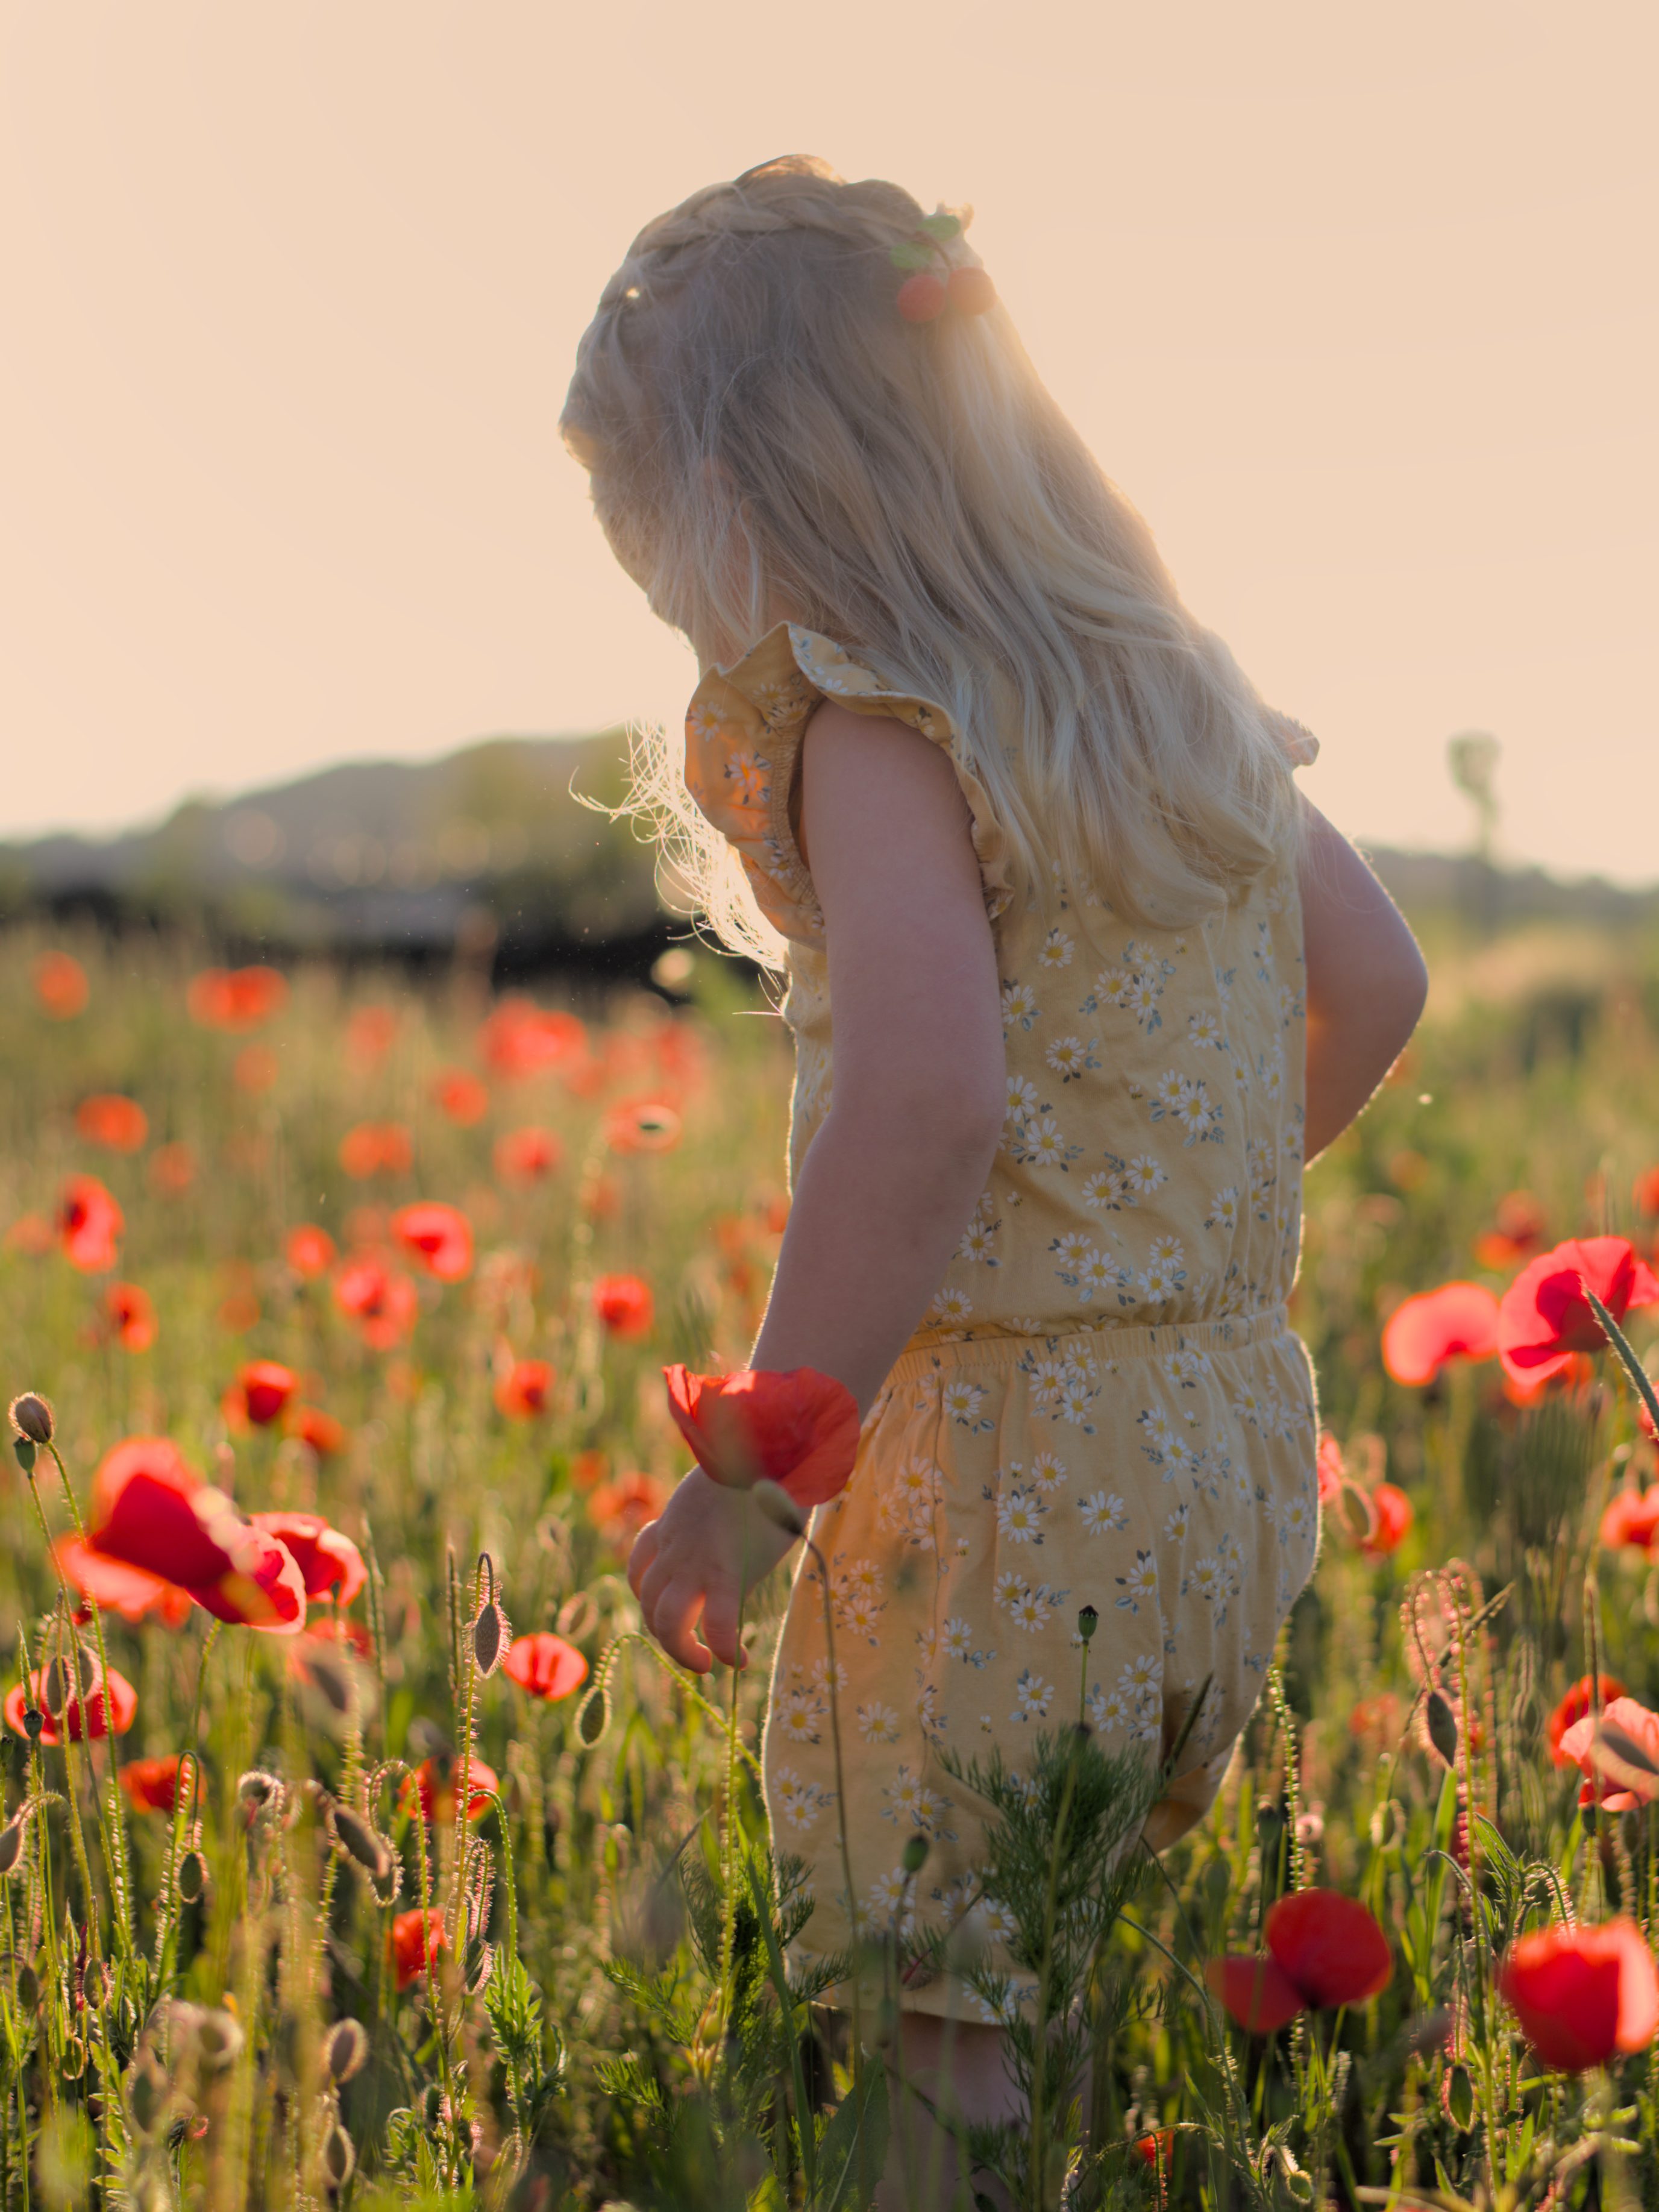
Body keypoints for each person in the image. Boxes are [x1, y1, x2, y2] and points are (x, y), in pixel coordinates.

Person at [563, 154, 1427, 2205]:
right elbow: (1374, 986)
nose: (672, 607)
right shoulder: (1182, 695)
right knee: (1048, 1949)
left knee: (937, 2012)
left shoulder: (885, 720)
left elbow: (927, 1106)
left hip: (1007, 1457)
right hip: (1215, 1444)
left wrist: (756, 1470)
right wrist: (1166, 1220)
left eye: (654, 544)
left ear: (756, 493)